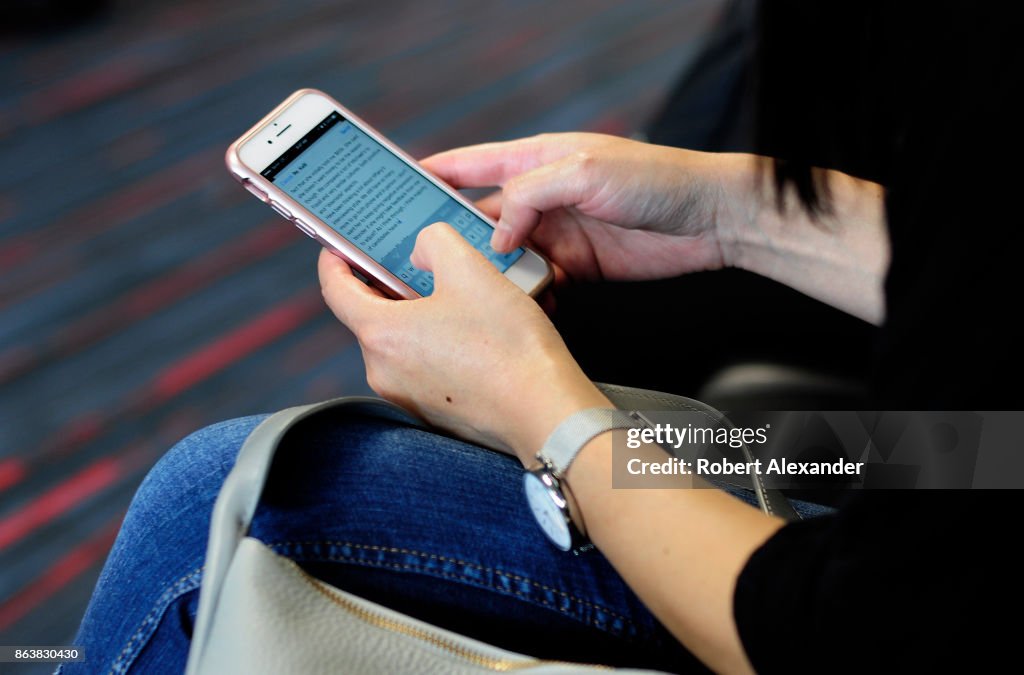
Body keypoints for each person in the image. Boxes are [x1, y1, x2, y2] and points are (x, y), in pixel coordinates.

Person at [65, 4, 1021, 674]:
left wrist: (542, 410)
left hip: (915, 574)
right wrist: (733, 214)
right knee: (741, 434)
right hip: (981, 455)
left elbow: (857, 639)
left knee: (224, 503)